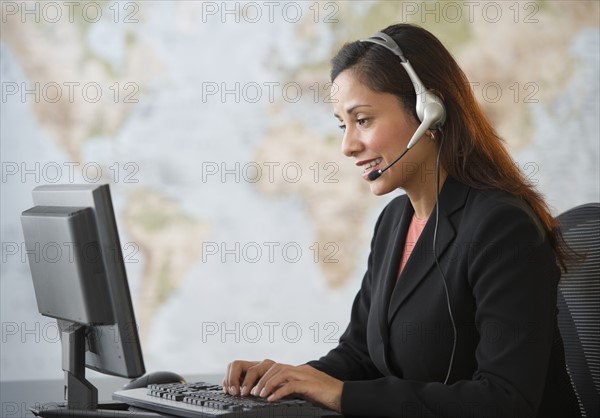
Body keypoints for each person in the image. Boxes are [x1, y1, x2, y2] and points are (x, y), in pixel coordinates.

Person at [222, 23, 581, 417]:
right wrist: (286, 379)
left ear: (430, 111)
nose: (348, 145)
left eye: (363, 120)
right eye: (343, 125)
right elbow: (360, 353)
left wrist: (342, 396)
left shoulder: (501, 228)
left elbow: (504, 400)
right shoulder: (395, 221)